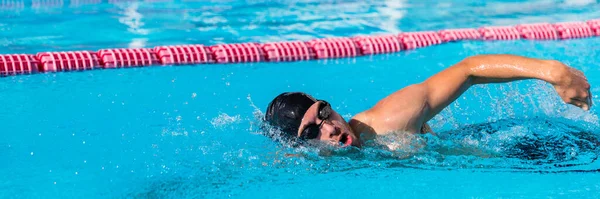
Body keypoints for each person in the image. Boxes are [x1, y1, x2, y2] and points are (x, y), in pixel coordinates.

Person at [264, 54, 593, 148]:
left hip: (518, 150)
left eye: (324, 112)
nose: (331, 128)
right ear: (298, 147)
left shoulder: (386, 121)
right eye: (312, 132)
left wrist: (551, 71)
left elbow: (468, 71)